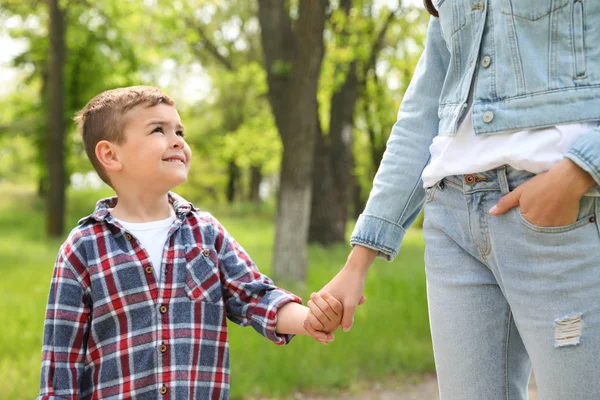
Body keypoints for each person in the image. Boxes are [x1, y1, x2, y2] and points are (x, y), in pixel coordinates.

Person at [313, 0, 600, 399]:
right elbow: (422, 113)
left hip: (556, 218)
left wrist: (580, 171)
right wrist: (360, 258)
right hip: (451, 220)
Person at [37, 86, 341, 400]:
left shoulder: (206, 233)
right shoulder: (83, 248)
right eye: (158, 130)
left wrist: (310, 320)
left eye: (180, 131)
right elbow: (61, 366)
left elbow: (256, 297)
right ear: (111, 155)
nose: (178, 141)